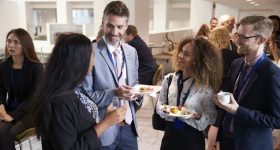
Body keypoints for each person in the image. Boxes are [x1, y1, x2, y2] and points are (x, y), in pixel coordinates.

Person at [32, 33, 127, 150]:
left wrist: (106, 117)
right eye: (93, 56)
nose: (94, 61)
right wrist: (105, 123)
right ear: (80, 61)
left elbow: (80, 126)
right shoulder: (59, 103)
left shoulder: (76, 88)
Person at [82, 1, 143, 149]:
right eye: (110, 25)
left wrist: (137, 94)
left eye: (120, 27)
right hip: (103, 130)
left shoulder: (131, 52)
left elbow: (135, 85)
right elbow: (85, 97)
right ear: (103, 23)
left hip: (129, 127)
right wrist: (115, 93)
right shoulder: (90, 52)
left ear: (126, 27)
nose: (114, 32)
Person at [214, 16, 280, 150]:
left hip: (252, 144)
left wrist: (238, 111)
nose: (236, 40)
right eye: (237, 35)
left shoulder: (272, 74)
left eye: (243, 37)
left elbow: (276, 120)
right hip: (226, 140)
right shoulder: (236, 63)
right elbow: (228, 99)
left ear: (261, 39)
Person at [156, 37, 222, 150]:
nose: (180, 55)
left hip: (192, 138)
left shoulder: (204, 87)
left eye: (186, 54)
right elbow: (160, 105)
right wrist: (165, 109)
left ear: (197, 60)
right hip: (170, 136)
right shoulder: (169, 79)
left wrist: (197, 116)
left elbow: (211, 117)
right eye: (181, 51)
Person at [0, 28, 43, 150]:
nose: (11, 45)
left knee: (3, 132)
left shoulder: (36, 67)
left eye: (16, 42)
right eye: (9, 41)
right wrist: (1, 106)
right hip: (9, 109)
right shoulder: (3, 66)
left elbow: (34, 98)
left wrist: (12, 116)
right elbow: (1, 92)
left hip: (30, 112)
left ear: (25, 45)